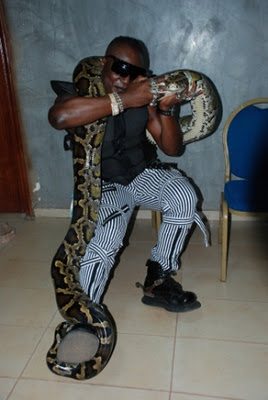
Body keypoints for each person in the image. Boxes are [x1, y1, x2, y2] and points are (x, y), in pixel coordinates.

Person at [48, 35, 208, 313]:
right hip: (103, 183)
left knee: (184, 195)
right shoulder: (80, 90)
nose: (125, 78)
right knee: (107, 236)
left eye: (136, 73)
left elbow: (172, 149)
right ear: (103, 62)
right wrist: (123, 99)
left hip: (142, 173)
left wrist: (166, 109)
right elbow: (59, 117)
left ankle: (158, 279)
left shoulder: (146, 96)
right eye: (120, 69)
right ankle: (86, 312)